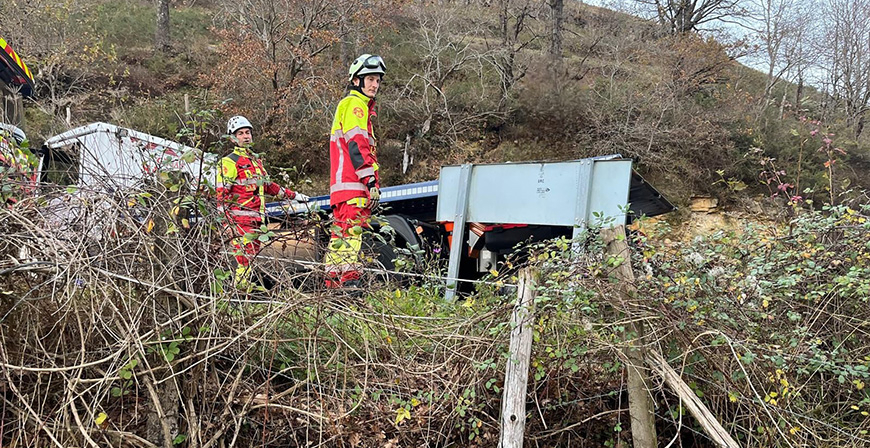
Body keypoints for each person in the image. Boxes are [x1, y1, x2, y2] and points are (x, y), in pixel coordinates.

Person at [216, 115, 310, 291]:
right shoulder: (229, 161)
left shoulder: (255, 161)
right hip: (240, 221)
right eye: (241, 133)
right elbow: (221, 195)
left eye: (248, 133)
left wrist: (294, 195)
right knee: (244, 260)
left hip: (256, 220)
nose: (246, 136)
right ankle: (240, 296)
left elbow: (269, 186)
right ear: (232, 138)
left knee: (249, 260)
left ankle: (243, 295)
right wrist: (225, 223)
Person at [324, 54, 385, 289]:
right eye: (369, 79)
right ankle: (348, 285)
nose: (374, 85)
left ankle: (332, 286)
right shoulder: (355, 106)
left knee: (340, 237)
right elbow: (357, 144)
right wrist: (370, 180)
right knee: (352, 233)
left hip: (344, 187)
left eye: (377, 80)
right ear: (356, 81)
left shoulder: (352, 106)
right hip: (353, 185)